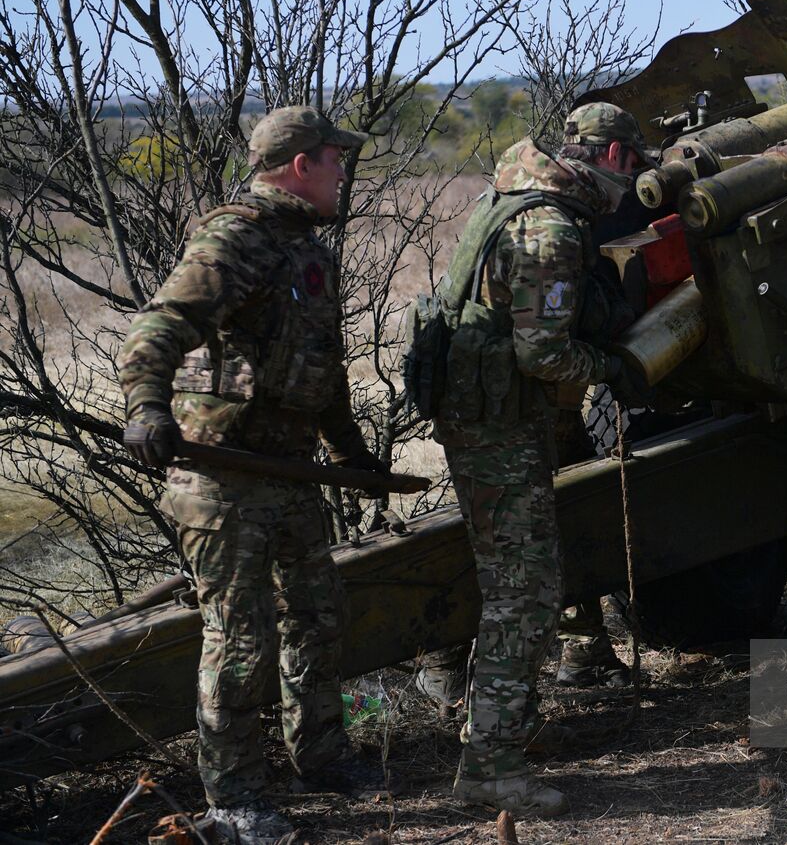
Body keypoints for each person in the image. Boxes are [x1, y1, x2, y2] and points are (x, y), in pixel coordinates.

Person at [118, 106, 388, 844]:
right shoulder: (235, 238)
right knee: (240, 639)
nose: (343, 173)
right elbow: (158, 326)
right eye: (337, 159)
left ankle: (322, 754)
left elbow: (321, 370)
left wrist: (349, 451)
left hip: (288, 468)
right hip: (223, 476)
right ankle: (234, 797)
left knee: (318, 614)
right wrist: (146, 408)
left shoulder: (308, 250)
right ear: (302, 164)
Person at [432, 102, 652, 816]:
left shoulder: (510, 197)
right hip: (499, 427)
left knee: (516, 582)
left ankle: (497, 726)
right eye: (635, 161)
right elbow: (543, 352)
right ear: (615, 156)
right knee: (524, 593)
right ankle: (490, 764)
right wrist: (616, 365)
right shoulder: (551, 226)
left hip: (487, 418)